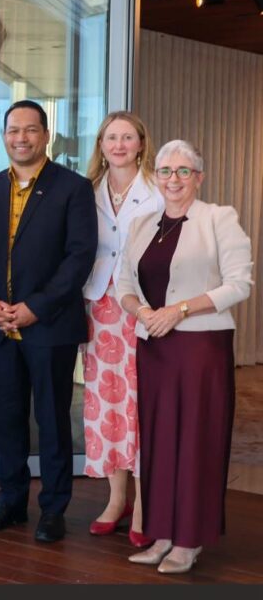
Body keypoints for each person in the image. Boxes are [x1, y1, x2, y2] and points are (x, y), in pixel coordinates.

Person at [117, 139, 252, 574]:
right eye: (165, 171)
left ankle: (188, 540)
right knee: (157, 440)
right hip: (153, 343)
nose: (173, 179)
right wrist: (144, 313)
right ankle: (160, 534)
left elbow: (239, 285)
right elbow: (124, 284)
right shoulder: (141, 224)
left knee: (196, 440)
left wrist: (179, 311)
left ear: (199, 177)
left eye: (183, 171)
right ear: (155, 175)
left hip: (200, 347)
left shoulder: (219, 219)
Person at [0, 99, 97, 543]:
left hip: (50, 325)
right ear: (3, 137)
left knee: (53, 420)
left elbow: (79, 258)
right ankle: (10, 502)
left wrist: (35, 306)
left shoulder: (72, 188)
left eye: (29, 130)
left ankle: (53, 509)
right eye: (12, 130)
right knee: (5, 417)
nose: (20, 138)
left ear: (45, 135)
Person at [81, 111, 163, 547]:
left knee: (140, 404)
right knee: (106, 404)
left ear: (140, 144)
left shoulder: (156, 190)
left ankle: (146, 504)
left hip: (143, 308)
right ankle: (116, 499)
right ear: (101, 144)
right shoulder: (87, 190)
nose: (118, 144)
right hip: (98, 307)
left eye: (127, 137)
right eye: (111, 137)